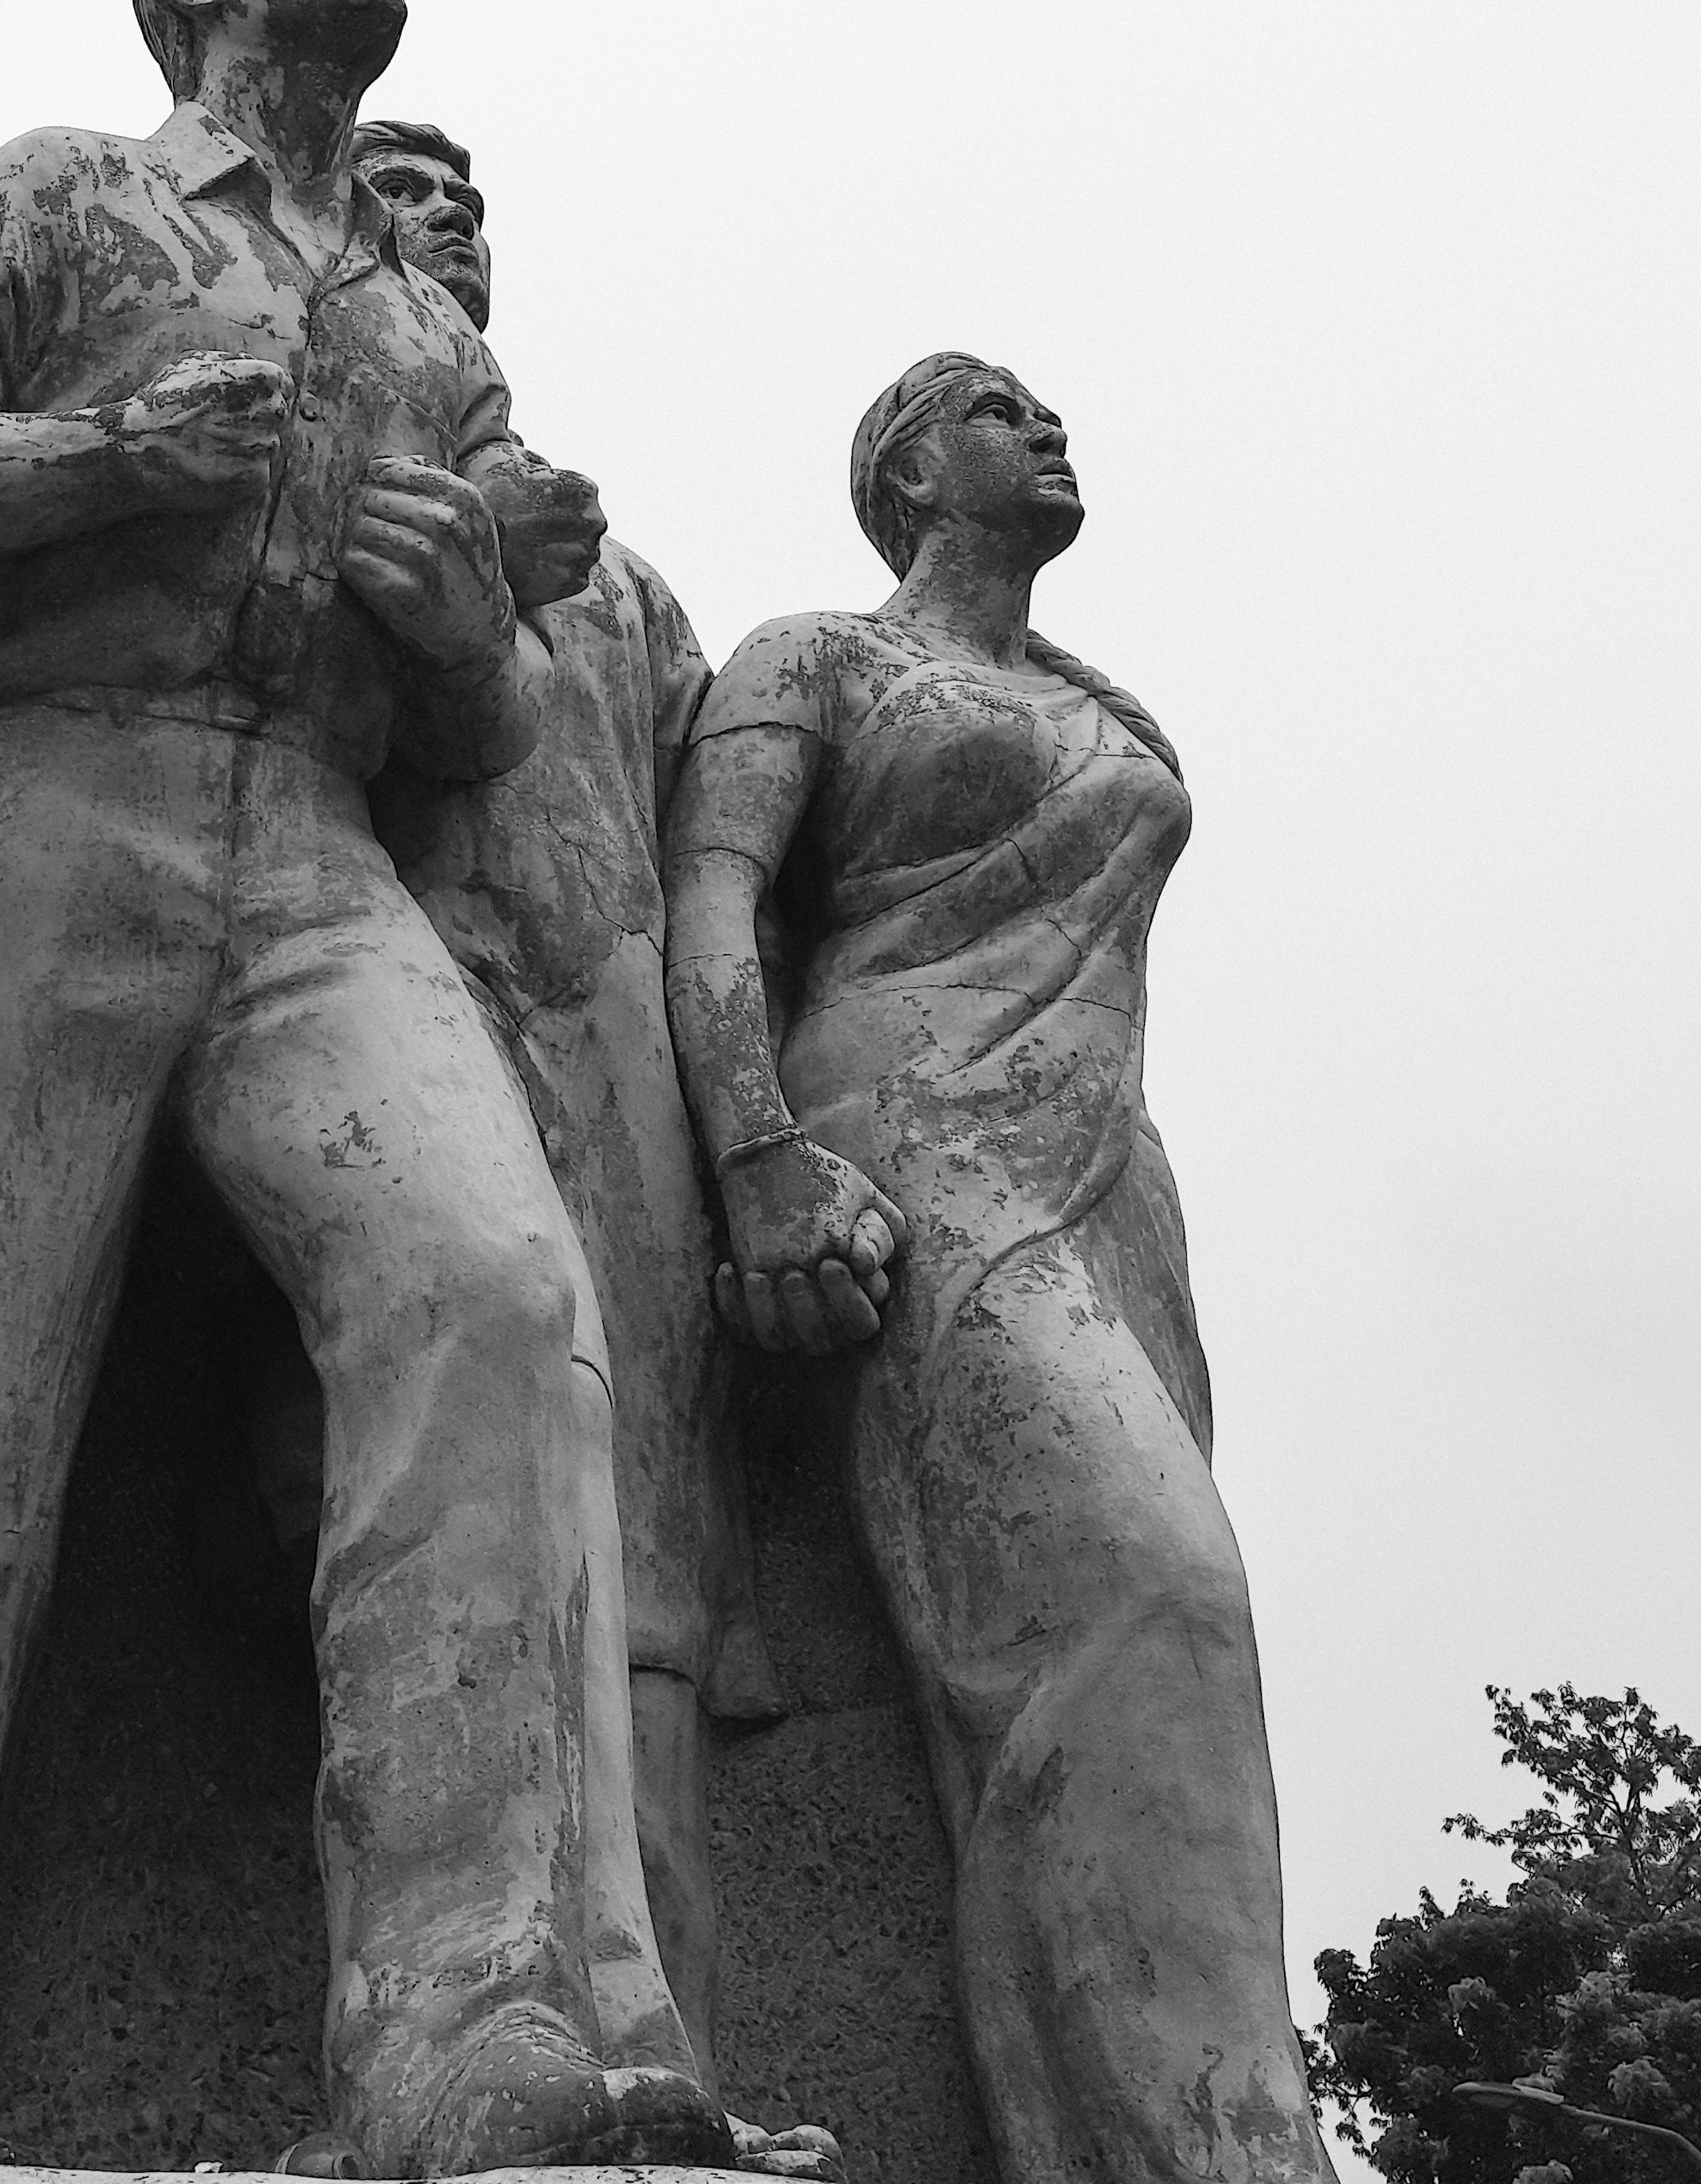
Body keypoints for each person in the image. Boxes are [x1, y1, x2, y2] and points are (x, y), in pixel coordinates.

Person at [0, 0, 729, 2180]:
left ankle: (462, 2029)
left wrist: (458, 620)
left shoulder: (427, 335)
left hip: (312, 843)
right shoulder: (68, 197)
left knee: (493, 1294)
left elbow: (497, 727)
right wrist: (99, 461)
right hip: (49, 797)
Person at [661, 357, 1342, 2184]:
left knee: (1153, 1663)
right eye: (994, 410)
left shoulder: (1111, 708)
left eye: (1045, 410)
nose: (1046, 429)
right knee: (1153, 1599)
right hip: (914, 1141)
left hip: (1112, 1175)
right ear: (904, 474)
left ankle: (1117, 2134)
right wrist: (756, 1157)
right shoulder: (814, 656)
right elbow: (710, 897)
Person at [351, 116, 768, 2067]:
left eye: (469, 204)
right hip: (393, 1008)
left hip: (619, 1060)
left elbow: (718, 858)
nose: (446, 223)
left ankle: (662, 2045)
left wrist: (760, 1133)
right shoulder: (305, 494)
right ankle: (442, 2011)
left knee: (649, 1562)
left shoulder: (623, 585)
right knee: (432, 1483)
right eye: (399, 193)